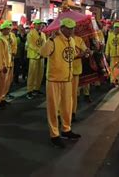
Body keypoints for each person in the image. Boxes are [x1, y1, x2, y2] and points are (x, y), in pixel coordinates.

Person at [40, 18, 81, 149]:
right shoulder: (54, 40)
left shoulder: (72, 41)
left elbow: (71, 55)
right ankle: (54, 134)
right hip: (54, 79)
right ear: (61, 28)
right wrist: (50, 39)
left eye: (72, 28)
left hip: (67, 79)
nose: (71, 30)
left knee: (67, 106)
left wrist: (82, 53)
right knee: (53, 108)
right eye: (68, 28)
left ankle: (66, 129)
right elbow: (43, 53)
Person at [26, 20, 47, 99]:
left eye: (40, 24)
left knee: (40, 73)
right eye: (38, 24)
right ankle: (29, 90)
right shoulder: (30, 34)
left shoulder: (43, 34)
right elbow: (31, 45)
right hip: (33, 56)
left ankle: (36, 88)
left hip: (41, 56)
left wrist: (43, 52)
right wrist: (39, 51)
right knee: (32, 73)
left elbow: (44, 44)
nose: (39, 26)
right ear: (34, 25)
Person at [72, 34, 90, 120]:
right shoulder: (59, 40)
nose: (71, 30)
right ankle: (60, 114)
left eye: (72, 28)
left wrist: (87, 51)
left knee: (74, 93)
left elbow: (85, 49)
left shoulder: (79, 39)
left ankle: (72, 113)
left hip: (76, 70)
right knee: (64, 95)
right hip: (64, 72)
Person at [0, 22, 10, 107]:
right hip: (3, 65)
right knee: (0, 83)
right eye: (7, 29)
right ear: (2, 30)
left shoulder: (4, 38)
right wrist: (3, 65)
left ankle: (1, 98)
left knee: (4, 83)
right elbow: (0, 54)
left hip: (7, 63)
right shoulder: (0, 40)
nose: (9, 31)